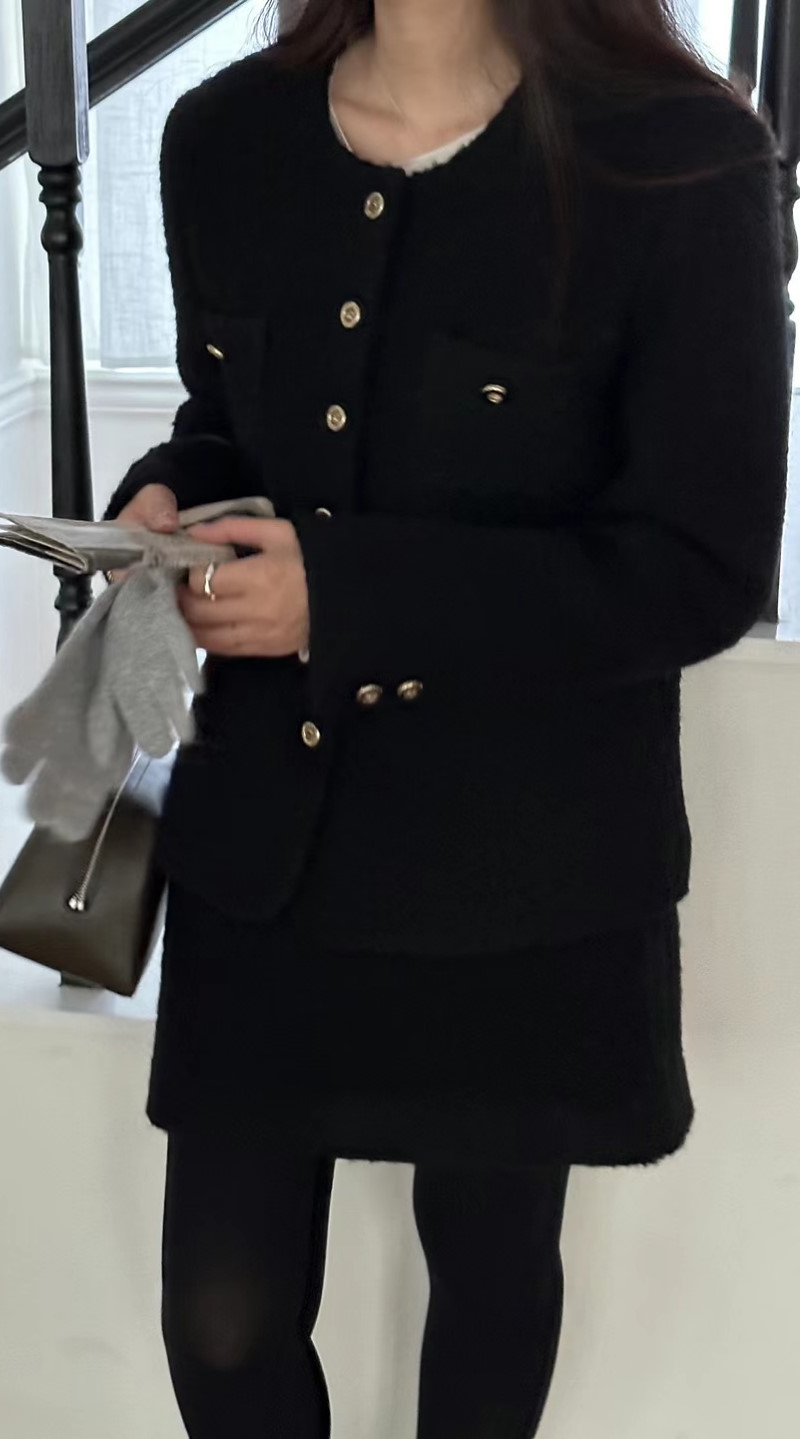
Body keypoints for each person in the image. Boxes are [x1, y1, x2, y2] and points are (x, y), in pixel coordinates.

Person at [101, 1, 791, 1434]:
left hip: (525, 866)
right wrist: (168, 499)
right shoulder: (223, 139)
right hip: (268, 846)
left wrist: (345, 596)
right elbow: (233, 416)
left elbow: (701, 564)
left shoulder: (680, 159)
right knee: (221, 1325)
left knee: (488, 1280)